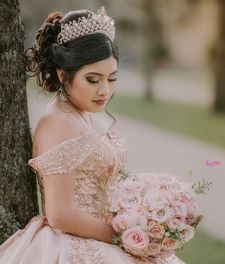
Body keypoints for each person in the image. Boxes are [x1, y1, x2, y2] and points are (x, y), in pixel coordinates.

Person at [0, 6, 185, 264]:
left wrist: (142, 211)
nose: (105, 91)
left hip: (102, 232)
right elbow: (59, 214)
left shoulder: (80, 112)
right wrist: (126, 236)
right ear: (64, 74)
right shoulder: (59, 122)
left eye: (112, 78)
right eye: (93, 79)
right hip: (75, 242)